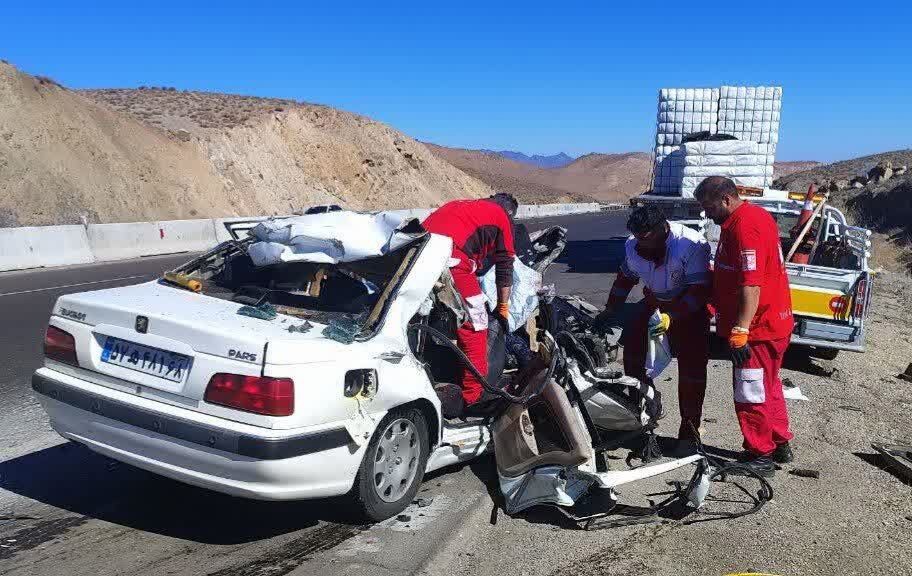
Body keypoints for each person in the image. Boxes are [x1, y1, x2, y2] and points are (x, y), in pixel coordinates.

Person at [694, 176, 795, 477]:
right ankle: (778, 443)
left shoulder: (746, 226)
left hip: (759, 329)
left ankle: (759, 455)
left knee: (750, 390)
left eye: (708, 206)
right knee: (769, 386)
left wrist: (740, 331)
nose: (706, 213)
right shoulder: (745, 220)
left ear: (726, 199)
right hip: (770, 323)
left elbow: (752, 285)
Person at [594, 205, 712, 452]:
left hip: (689, 309)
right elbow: (625, 279)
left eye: (647, 239)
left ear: (663, 228)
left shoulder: (692, 245)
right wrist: (610, 309)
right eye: (638, 239)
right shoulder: (632, 246)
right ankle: (640, 421)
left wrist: (672, 316)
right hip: (653, 303)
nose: (642, 246)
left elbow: (700, 292)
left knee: (692, 374)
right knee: (633, 362)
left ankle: (689, 433)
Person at [422, 193, 518, 407]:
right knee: (477, 324)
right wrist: (503, 308)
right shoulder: (502, 218)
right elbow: (505, 267)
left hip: (416, 254)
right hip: (451, 261)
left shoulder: (457, 204)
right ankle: (472, 396)